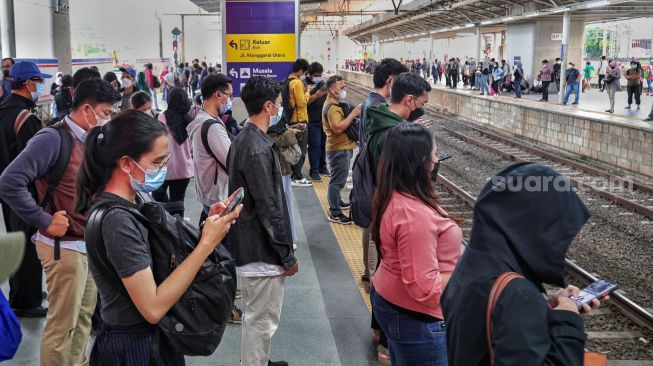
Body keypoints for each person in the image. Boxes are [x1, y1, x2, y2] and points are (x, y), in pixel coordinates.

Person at [75, 110, 241, 365]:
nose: (163, 170)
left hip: (153, 340)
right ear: (127, 163)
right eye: (157, 162)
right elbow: (152, 308)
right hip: (134, 348)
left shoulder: (135, 199)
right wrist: (206, 244)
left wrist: (206, 229)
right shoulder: (116, 221)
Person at [0, 78, 120, 365]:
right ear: (87, 109)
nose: (109, 118)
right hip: (62, 247)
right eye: (106, 112)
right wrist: (43, 219)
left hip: (88, 242)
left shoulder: (92, 140)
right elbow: (9, 181)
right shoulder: (52, 139)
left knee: (83, 321)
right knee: (61, 326)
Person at [442, 162, 602, 366]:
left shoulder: (473, 263)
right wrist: (568, 323)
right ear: (535, 225)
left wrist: (546, 309)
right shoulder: (518, 294)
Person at [370, 123, 462, 366]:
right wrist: (460, 269)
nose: (437, 160)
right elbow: (425, 289)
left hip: (394, 301)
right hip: (416, 317)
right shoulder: (414, 215)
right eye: (435, 154)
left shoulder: (395, 193)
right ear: (423, 163)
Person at [227, 76, 298, 366]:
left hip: (252, 244)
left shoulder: (246, 138)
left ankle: (259, 361)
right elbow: (269, 208)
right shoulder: (257, 147)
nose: (281, 108)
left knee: (257, 317)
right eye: (279, 104)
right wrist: (286, 253)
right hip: (260, 250)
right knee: (261, 321)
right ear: (268, 106)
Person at [0, 61, 51, 319]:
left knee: (17, 240)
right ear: (29, 83)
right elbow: (34, 162)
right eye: (38, 81)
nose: (40, 86)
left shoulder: (4, 109)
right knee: (28, 245)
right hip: (23, 191)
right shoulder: (26, 118)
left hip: (5, 190)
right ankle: (25, 302)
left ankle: (23, 292)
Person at [358, 57, 407, 287]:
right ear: (390, 80)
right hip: (374, 176)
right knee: (375, 231)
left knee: (369, 227)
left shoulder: (369, 101)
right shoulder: (379, 107)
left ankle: (369, 273)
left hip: (365, 171)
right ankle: (373, 279)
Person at [187, 73, 233, 223]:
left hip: (208, 194)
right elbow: (232, 161)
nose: (229, 100)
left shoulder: (204, 119)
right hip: (218, 197)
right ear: (218, 95)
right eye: (229, 96)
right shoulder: (212, 127)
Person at [322, 76, 361, 225]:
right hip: (338, 149)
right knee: (337, 182)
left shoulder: (334, 103)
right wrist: (353, 114)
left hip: (342, 147)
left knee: (338, 179)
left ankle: (337, 202)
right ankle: (335, 213)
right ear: (332, 90)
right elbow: (337, 128)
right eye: (341, 88)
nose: (344, 90)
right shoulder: (332, 107)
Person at [151, 87, 195, 217]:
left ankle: (165, 223)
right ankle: (178, 229)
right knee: (178, 203)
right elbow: (192, 148)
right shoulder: (190, 121)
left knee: (158, 200)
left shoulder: (161, 118)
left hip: (163, 169)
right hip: (183, 171)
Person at [283, 58, 313, 187]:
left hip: (290, 120)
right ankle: (297, 176)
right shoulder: (297, 83)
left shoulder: (287, 81)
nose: (305, 75)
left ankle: (292, 175)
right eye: (305, 72)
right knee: (300, 149)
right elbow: (301, 103)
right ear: (301, 71)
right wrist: (308, 92)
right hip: (299, 120)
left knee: (292, 148)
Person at [305, 62, 329, 182]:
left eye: (320, 74)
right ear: (309, 74)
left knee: (323, 144)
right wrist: (315, 96)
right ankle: (314, 170)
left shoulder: (323, 84)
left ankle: (322, 166)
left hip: (323, 120)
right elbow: (303, 103)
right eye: (316, 75)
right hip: (311, 120)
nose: (318, 77)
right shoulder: (304, 85)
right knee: (315, 145)